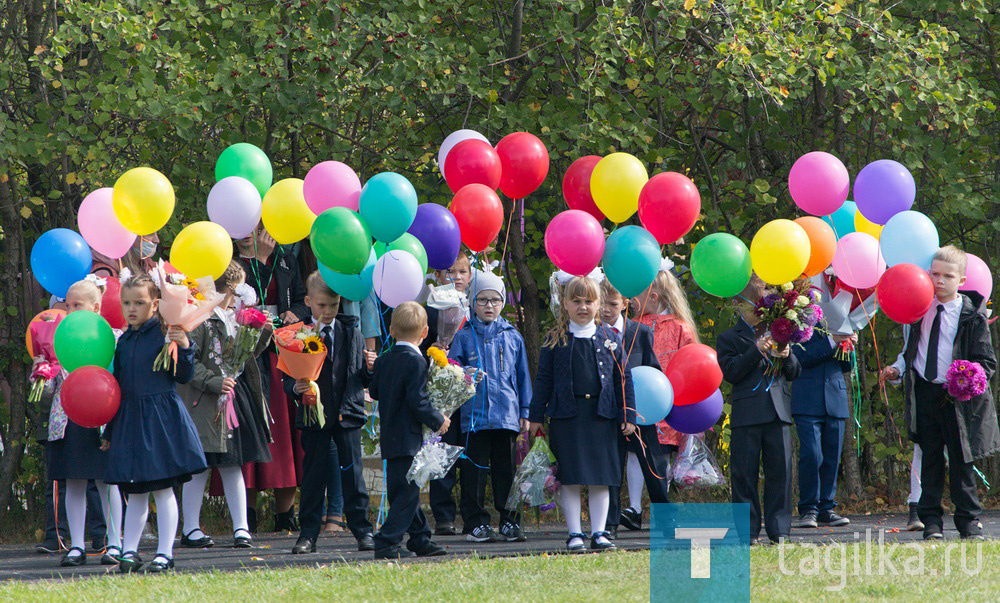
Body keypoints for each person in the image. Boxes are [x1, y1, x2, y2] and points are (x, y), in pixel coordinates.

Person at [879, 246, 1000, 540]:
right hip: (925, 393)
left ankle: (968, 522)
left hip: (958, 398)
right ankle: (931, 521)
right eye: (935, 274)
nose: (939, 281)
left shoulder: (972, 316)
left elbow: (986, 363)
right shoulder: (918, 308)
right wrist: (896, 369)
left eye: (948, 276)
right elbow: (911, 352)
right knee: (930, 459)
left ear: (961, 280)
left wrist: (968, 376)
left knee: (961, 461)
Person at [102, 273, 207, 572]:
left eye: (139, 302)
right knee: (135, 489)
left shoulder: (166, 333)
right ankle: (130, 551)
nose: (131, 308)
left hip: (160, 419)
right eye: (126, 303)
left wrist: (184, 346)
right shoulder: (123, 342)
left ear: (155, 304)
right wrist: (110, 429)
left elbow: (183, 375)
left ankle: (164, 553)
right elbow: (119, 385)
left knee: (162, 488)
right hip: (131, 419)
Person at [528, 274, 635, 553]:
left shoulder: (611, 337)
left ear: (599, 304)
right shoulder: (555, 339)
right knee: (571, 477)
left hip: (603, 415)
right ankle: (575, 533)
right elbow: (543, 380)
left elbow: (623, 379)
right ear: (565, 303)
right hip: (568, 416)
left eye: (589, 301)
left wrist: (628, 415)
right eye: (576, 301)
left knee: (601, 477)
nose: (583, 307)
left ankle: (599, 532)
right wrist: (536, 416)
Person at [179, 261, 273, 550]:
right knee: (199, 467)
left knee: (234, 465)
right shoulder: (200, 319)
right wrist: (213, 382)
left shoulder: (238, 317)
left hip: (234, 398)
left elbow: (246, 355)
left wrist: (262, 332)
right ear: (233, 289)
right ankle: (191, 528)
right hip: (204, 404)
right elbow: (189, 363)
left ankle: (241, 527)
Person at [285, 272, 377, 554]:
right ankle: (308, 534)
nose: (327, 312)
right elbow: (287, 378)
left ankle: (362, 530)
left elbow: (361, 378)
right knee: (313, 476)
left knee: (354, 475)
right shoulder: (298, 335)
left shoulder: (352, 332)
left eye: (334, 305)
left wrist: (370, 369)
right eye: (322, 305)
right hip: (314, 414)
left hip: (346, 413)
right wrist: (296, 388)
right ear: (308, 301)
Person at [40, 278, 123, 567]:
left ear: (96, 307)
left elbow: (122, 377)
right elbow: (50, 389)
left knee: (107, 482)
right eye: (67, 305)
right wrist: (42, 374)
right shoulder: (56, 339)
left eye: (78, 305)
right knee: (73, 482)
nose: (71, 310)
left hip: (103, 418)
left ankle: (114, 542)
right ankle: (76, 545)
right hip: (68, 418)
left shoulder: (113, 337)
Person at [233, 225, 310, 532]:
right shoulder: (229, 263)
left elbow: (303, 298)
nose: (248, 232)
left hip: (281, 352)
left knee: (285, 428)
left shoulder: (285, 258)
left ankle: (285, 514)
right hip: (247, 354)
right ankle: (247, 514)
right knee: (252, 425)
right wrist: (259, 260)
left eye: (253, 225)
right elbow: (249, 299)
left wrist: (296, 313)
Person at [448, 270, 532, 543]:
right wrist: (466, 373)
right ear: (472, 303)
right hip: (474, 418)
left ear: (503, 303)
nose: (488, 306)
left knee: (506, 472)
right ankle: (475, 522)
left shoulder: (512, 336)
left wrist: (525, 412)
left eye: (494, 300)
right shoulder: (463, 336)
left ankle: (510, 521)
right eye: (482, 300)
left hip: (506, 416)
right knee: (473, 471)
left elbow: (522, 377)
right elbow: (452, 372)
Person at [717, 275, 800, 545]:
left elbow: (795, 372)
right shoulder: (728, 337)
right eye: (752, 300)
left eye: (762, 297)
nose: (758, 306)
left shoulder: (778, 329)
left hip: (778, 412)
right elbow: (731, 372)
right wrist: (755, 350)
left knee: (781, 473)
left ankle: (780, 530)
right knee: (744, 474)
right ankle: (747, 532)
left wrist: (787, 354)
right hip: (746, 414)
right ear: (737, 303)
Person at [368, 302, 449, 559]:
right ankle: (385, 539)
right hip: (410, 438)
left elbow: (374, 392)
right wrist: (439, 420)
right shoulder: (416, 362)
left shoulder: (384, 360)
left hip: (391, 436)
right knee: (408, 493)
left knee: (403, 490)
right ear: (425, 332)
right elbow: (419, 401)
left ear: (391, 329)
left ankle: (420, 537)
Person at [599, 278, 670, 539]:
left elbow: (653, 369)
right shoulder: (595, 333)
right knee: (612, 467)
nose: (606, 309)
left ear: (625, 304)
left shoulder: (640, 333)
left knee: (653, 465)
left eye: (612, 304)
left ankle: (664, 518)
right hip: (608, 412)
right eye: (602, 304)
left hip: (640, 410)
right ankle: (610, 523)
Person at [423, 254, 471, 535]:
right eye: (450, 271)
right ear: (438, 277)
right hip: (441, 394)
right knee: (442, 451)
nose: (456, 276)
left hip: (471, 393)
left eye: (462, 271)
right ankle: (443, 515)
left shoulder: (477, 309)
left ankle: (472, 514)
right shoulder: (430, 311)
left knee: (469, 453)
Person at [790, 329, 854, 529]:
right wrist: (832, 341)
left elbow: (846, 366)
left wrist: (848, 345)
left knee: (832, 455)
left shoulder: (842, 322)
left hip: (835, 396)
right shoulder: (802, 318)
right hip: (808, 397)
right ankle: (809, 508)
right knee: (812, 454)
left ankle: (827, 507)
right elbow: (799, 356)